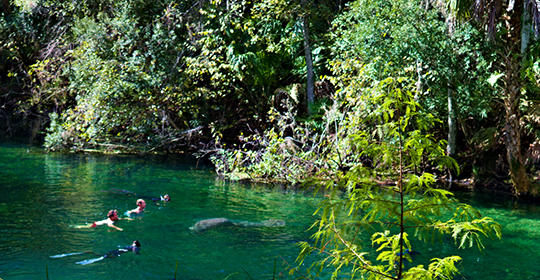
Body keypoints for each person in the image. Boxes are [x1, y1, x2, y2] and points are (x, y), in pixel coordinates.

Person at [51, 240, 141, 265]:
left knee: (104, 255)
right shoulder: (135, 248)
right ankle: (101, 257)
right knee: (109, 257)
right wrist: (137, 254)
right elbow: (134, 252)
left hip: (118, 249)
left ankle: (90, 252)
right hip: (121, 252)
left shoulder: (130, 245)